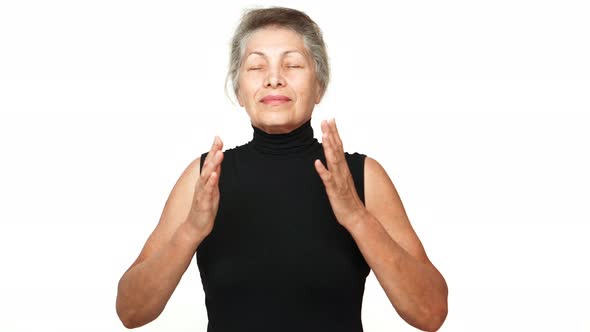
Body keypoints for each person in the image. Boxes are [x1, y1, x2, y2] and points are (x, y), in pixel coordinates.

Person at [116, 6, 448, 332]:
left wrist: (357, 218)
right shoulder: (205, 178)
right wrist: (190, 230)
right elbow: (131, 311)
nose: (274, 79)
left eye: (292, 64)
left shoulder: (361, 177)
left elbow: (430, 313)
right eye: (257, 67)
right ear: (239, 91)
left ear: (319, 86)